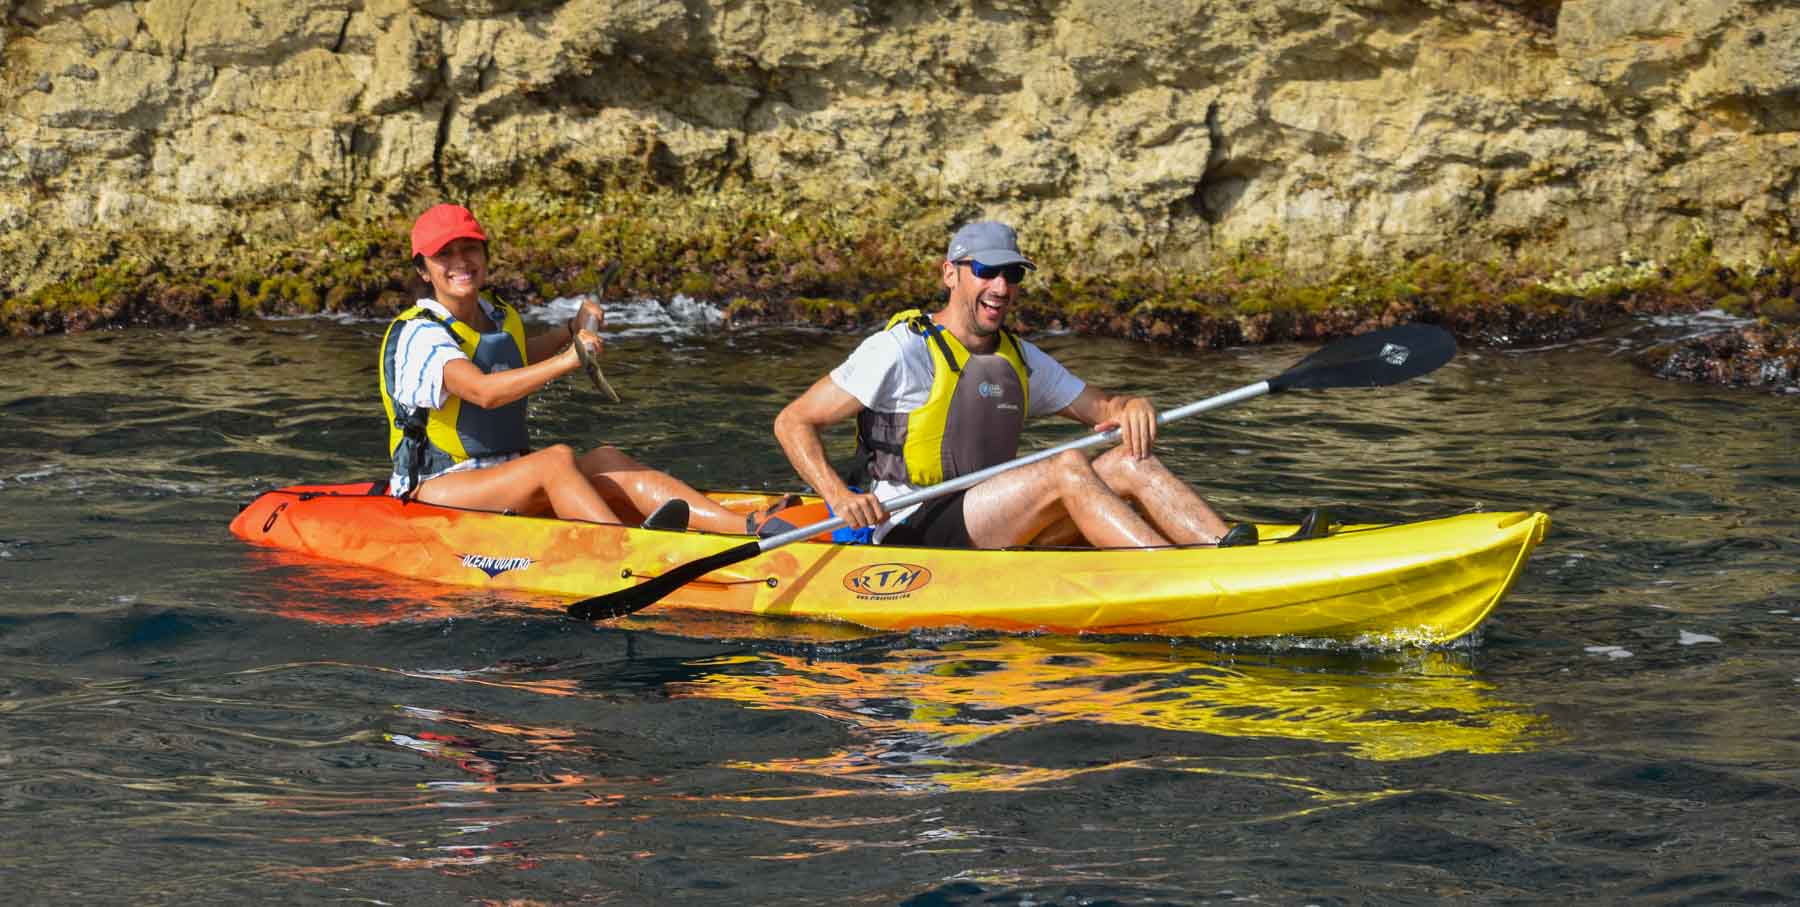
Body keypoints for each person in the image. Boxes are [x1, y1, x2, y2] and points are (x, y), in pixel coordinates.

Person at [772, 220, 1251, 549]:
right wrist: (839, 496)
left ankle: (1226, 553)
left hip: (988, 517)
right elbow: (793, 422)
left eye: (1013, 274)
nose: (1001, 288)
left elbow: (1106, 408)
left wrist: (1132, 405)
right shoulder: (900, 349)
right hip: (909, 526)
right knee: (1065, 464)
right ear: (950, 274)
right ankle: (1167, 574)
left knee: (1131, 460)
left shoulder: (1018, 357)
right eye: (986, 272)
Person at [379, 203, 747, 533]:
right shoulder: (421, 333)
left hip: (505, 472)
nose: (460, 262)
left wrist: (570, 330)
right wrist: (569, 359)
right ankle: (627, 551)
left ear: (485, 255)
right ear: (423, 269)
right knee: (555, 461)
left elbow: (516, 359)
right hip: (436, 485)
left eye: (469, 248)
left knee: (605, 458)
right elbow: (483, 390)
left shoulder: (496, 313)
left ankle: (746, 527)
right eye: (444, 254)